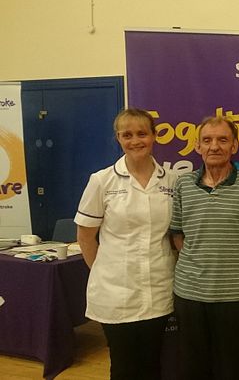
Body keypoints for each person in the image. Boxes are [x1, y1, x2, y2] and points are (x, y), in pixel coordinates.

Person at [75, 108, 177, 380]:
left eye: (142, 133)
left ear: (155, 136)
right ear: (118, 139)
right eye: (127, 135)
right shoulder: (102, 181)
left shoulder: (171, 180)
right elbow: (85, 236)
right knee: (123, 366)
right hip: (115, 292)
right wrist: (105, 271)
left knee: (153, 363)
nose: (135, 140)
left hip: (158, 287)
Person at [169, 116, 239, 380]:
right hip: (190, 293)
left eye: (223, 140)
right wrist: (198, 262)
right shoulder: (183, 185)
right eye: (207, 140)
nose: (214, 146)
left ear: (234, 145)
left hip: (236, 294)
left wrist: (235, 265)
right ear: (198, 146)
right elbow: (177, 235)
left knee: (235, 367)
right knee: (193, 367)